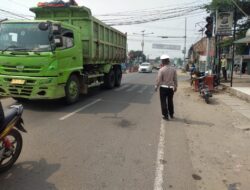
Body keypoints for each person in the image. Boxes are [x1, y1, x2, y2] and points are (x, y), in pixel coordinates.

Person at [155, 54, 178, 120]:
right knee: (170, 101)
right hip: (171, 88)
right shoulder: (173, 70)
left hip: (163, 88)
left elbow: (159, 80)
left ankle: (165, 115)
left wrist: (156, 86)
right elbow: (175, 79)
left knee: (163, 101)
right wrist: (175, 86)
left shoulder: (161, 70)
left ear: (162, 62)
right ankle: (171, 114)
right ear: (168, 61)